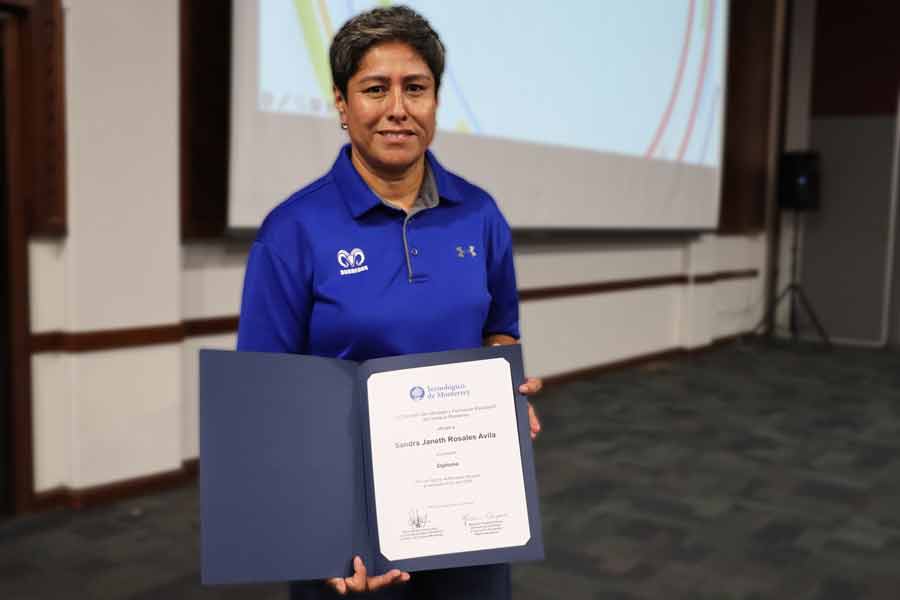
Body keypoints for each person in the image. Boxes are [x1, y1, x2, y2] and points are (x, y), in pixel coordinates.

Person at [237, 6, 541, 599]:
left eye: (416, 88)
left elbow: (500, 331)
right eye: (375, 89)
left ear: (435, 101)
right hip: (349, 525)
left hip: (468, 514)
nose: (397, 108)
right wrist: (310, 535)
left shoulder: (480, 214)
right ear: (342, 105)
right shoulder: (293, 230)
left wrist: (506, 390)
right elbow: (262, 398)